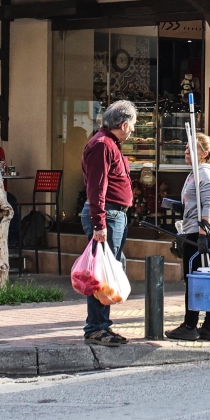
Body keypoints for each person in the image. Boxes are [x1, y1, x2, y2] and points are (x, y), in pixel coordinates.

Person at [80, 100, 138, 347]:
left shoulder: (109, 144)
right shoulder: (103, 145)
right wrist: (99, 223)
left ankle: (101, 325)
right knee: (101, 273)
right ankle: (96, 327)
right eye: (133, 125)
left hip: (115, 215)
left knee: (110, 269)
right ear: (123, 124)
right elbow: (97, 187)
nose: (133, 130)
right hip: (108, 216)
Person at [167, 134, 210, 342]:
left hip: (201, 234)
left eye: (190, 149)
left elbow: (209, 205)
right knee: (201, 279)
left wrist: (202, 235)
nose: (185, 152)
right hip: (192, 230)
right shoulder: (194, 173)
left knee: (199, 280)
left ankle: (193, 325)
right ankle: (207, 327)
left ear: (204, 153)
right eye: (185, 148)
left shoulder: (206, 173)